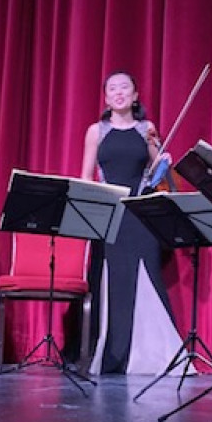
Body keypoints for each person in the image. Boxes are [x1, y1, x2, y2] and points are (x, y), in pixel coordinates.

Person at [79, 71, 181, 374]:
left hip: (140, 215)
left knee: (148, 278)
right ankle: (114, 355)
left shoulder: (146, 128)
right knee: (112, 283)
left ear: (136, 96)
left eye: (125, 87)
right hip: (109, 216)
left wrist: (165, 162)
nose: (119, 92)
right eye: (112, 88)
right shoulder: (96, 131)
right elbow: (86, 175)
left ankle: (153, 356)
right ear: (106, 97)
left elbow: (159, 170)